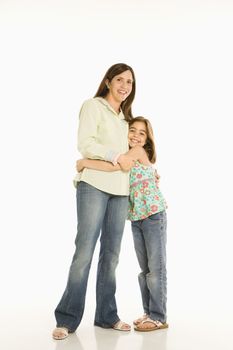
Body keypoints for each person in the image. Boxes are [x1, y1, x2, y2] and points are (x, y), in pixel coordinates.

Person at [52, 63, 137, 340]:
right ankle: (66, 319)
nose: (125, 86)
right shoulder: (93, 106)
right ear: (109, 81)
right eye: (121, 80)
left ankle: (106, 316)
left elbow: (133, 156)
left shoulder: (126, 119)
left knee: (111, 256)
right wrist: (113, 158)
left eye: (130, 83)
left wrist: (146, 170)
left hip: (121, 190)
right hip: (94, 186)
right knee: (84, 251)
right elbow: (86, 144)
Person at [76, 116, 168, 332]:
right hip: (137, 217)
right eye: (132, 130)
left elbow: (113, 166)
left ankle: (159, 316)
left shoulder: (135, 153)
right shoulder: (131, 154)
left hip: (154, 215)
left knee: (156, 269)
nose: (136, 136)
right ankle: (149, 311)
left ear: (147, 140)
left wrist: (84, 163)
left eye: (141, 133)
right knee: (145, 270)